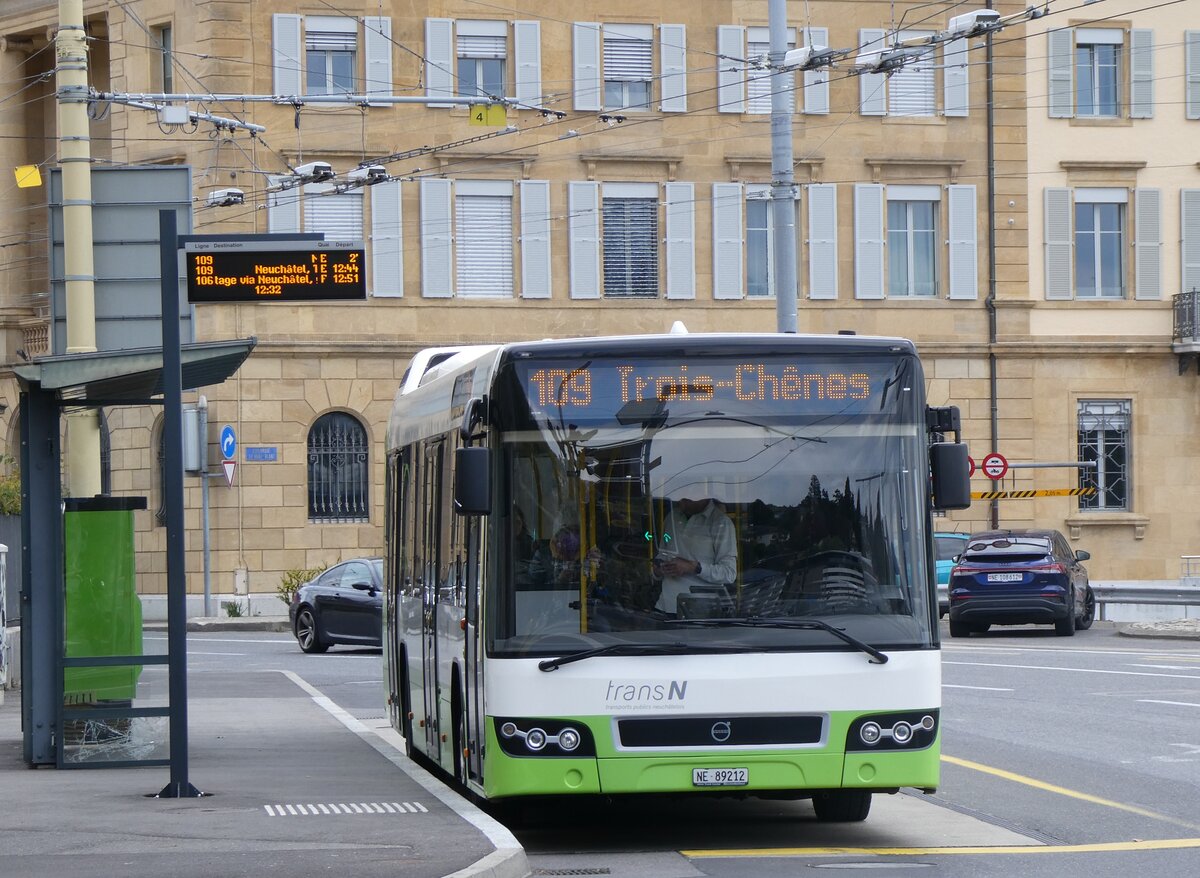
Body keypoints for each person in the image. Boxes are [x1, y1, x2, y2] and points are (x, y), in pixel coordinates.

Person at [653, 496, 737, 615]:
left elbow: (729, 573)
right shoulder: (672, 517)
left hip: (701, 614)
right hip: (665, 606)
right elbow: (662, 555)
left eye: (685, 495)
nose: (679, 499)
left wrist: (694, 567)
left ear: (700, 494)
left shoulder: (721, 523)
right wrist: (658, 569)